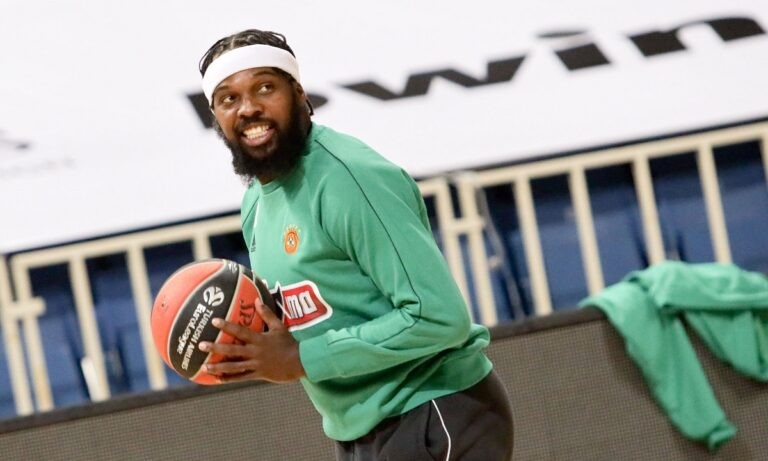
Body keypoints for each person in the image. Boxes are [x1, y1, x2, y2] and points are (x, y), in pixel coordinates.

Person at [195, 29, 513, 461]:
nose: (248, 108)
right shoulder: (255, 203)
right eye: (228, 98)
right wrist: (252, 349)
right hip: (361, 431)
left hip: (434, 409)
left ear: (299, 93)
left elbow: (438, 316)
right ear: (216, 117)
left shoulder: (349, 179)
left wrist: (305, 358)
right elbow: (313, 317)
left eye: (265, 88)